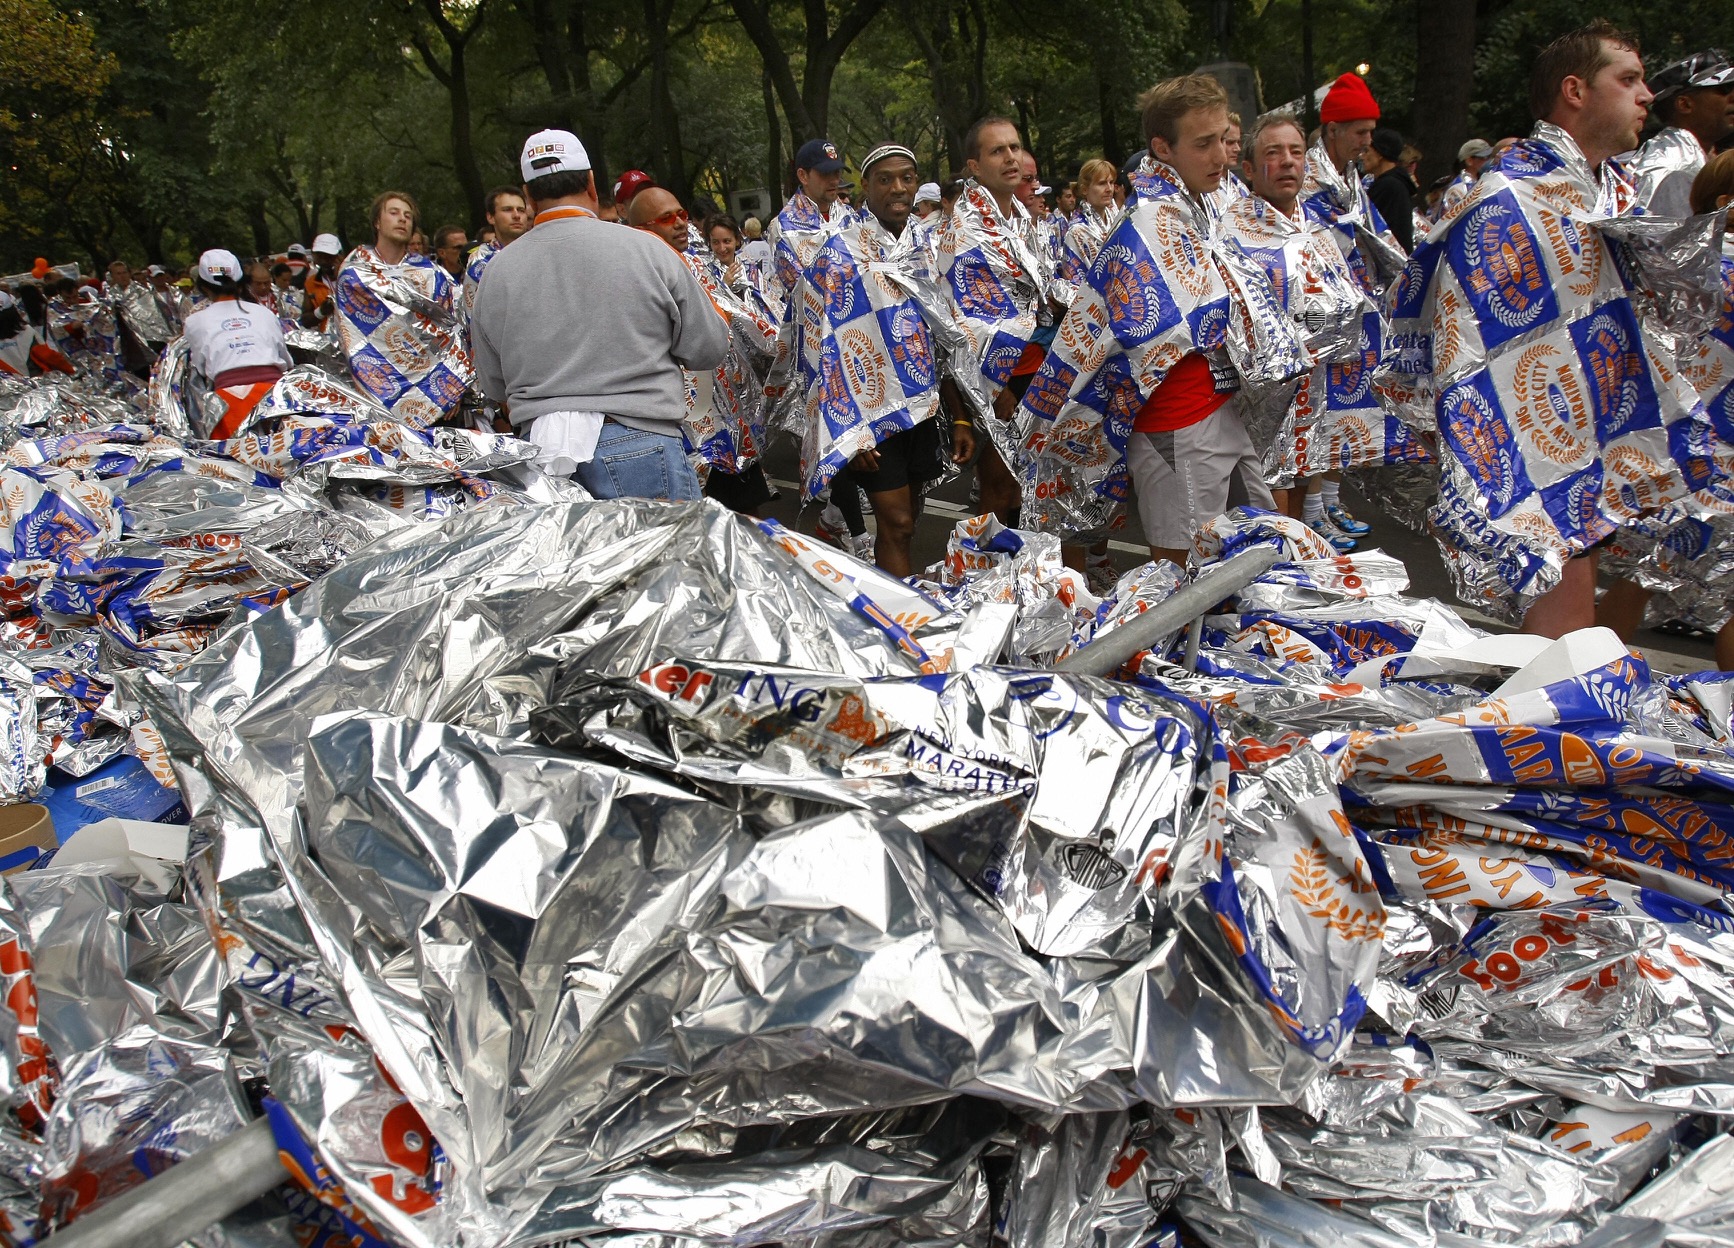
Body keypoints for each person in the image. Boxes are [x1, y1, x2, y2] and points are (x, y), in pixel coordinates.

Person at [1385, 20, 1711, 639]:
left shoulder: (1601, 194)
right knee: (1557, 649)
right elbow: (1472, 349)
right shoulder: (1509, 200)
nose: (1647, 97)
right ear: (1575, 90)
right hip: (1541, 456)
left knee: (1578, 637)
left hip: (1584, 450)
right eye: (1629, 79)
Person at [1017, 75, 1286, 564]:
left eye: (1223, 141)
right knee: (1184, 576)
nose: (1220, 157)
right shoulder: (1145, 225)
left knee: (1247, 563)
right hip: (1177, 424)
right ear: (1163, 148)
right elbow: (1125, 340)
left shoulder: (1198, 210)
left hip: (1221, 410)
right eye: (1202, 144)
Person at [471, 129, 728, 500]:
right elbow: (708, 347)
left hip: (542, 459)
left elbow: (494, 385)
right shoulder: (647, 250)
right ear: (592, 184)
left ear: (528, 197)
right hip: (640, 440)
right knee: (663, 560)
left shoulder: (494, 273)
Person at [785, 143, 977, 575]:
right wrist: (850, 437)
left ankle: (899, 607)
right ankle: (900, 627)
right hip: (868, 419)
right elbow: (821, 352)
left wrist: (960, 416)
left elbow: (941, 340)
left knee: (909, 523)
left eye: (907, 178)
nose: (898, 188)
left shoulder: (928, 247)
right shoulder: (839, 253)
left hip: (922, 410)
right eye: (885, 179)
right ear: (866, 186)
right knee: (898, 523)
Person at [1601, 150, 1734, 667]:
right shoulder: (1704, 266)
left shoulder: (1674, 262)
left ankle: (1580, 679)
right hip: (1713, 453)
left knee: (1641, 576)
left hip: (1670, 447)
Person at [1220, 111, 1373, 517]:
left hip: (1313, 393)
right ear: (1250, 169)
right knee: (1266, 505)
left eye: (1296, 151)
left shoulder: (1319, 231)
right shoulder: (1230, 234)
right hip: (1257, 405)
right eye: (1274, 152)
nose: (1288, 161)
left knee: (1302, 485)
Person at [1296, 70, 1412, 548]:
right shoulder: (1308, 179)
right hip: (1322, 313)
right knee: (1319, 410)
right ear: (1332, 130)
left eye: (1370, 131)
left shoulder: (1350, 177)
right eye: (1360, 131)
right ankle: (1309, 511)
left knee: (1351, 408)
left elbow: (1375, 235)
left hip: (1359, 308)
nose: (1369, 141)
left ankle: (1328, 501)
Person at [942, 116, 1053, 526]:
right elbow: (960, 320)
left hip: (1036, 370)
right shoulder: (965, 229)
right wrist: (997, 383)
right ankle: (986, 575)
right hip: (997, 381)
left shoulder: (1021, 219)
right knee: (1000, 490)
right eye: (997, 151)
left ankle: (1019, 573)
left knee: (1030, 487)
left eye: (1014, 147)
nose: (1011, 158)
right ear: (974, 166)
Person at [333, 191, 473, 427]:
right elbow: (350, 338)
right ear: (377, 222)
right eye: (394, 213)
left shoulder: (431, 275)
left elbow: (451, 332)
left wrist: (454, 388)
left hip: (435, 397)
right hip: (376, 395)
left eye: (408, 216)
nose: (402, 219)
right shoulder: (355, 274)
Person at [179, 249, 294, 438]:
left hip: (227, 405)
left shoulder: (194, 321)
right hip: (275, 400)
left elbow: (200, 368)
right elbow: (286, 360)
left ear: (204, 287)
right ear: (241, 284)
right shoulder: (264, 313)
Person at [1628, 50, 1734, 217]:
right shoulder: (1675, 170)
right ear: (1685, 105)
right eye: (1724, 89)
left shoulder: (1697, 157)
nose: (1732, 97)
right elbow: (1677, 242)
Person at [766, 138, 856, 305]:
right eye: (825, 173)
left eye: (837, 172)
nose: (835, 180)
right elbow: (800, 289)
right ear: (803, 176)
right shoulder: (783, 227)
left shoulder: (850, 216)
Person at [1052, 157, 1117, 308]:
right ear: (1085, 189)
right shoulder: (1077, 231)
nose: (1109, 189)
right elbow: (1076, 282)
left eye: (1111, 182)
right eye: (1102, 183)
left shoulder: (1117, 218)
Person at [462, 187, 531, 319]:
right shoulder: (481, 262)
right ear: (491, 217)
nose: (516, 215)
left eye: (521, 210)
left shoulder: (540, 251)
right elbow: (474, 317)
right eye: (507, 209)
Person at [104, 259, 171, 376]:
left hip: (152, 339)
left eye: (124, 272)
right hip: (129, 345)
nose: (122, 276)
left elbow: (155, 315)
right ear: (112, 276)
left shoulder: (142, 292)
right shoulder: (110, 296)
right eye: (118, 274)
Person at [1364, 127, 1418, 251]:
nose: (1362, 156)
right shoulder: (1396, 182)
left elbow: (1367, 226)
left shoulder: (1388, 186)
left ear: (1380, 154)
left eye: (1367, 151)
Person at [1432, 138, 1492, 222]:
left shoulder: (1482, 181)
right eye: (1484, 157)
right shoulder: (1458, 189)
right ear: (1469, 161)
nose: (1488, 161)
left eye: (1489, 157)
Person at [300, 234, 343, 332]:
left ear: (340, 256)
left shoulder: (353, 278)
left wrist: (341, 278)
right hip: (329, 340)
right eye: (319, 257)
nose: (323, 261)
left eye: (328, 257)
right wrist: (320, 311)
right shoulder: (311, 282)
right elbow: (305, 321)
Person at [270, 262, 303, 334]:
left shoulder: (294, 290)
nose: (287, 283)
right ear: (275, 277)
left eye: (289, 280)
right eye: (284, 280)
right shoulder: (270, 293)